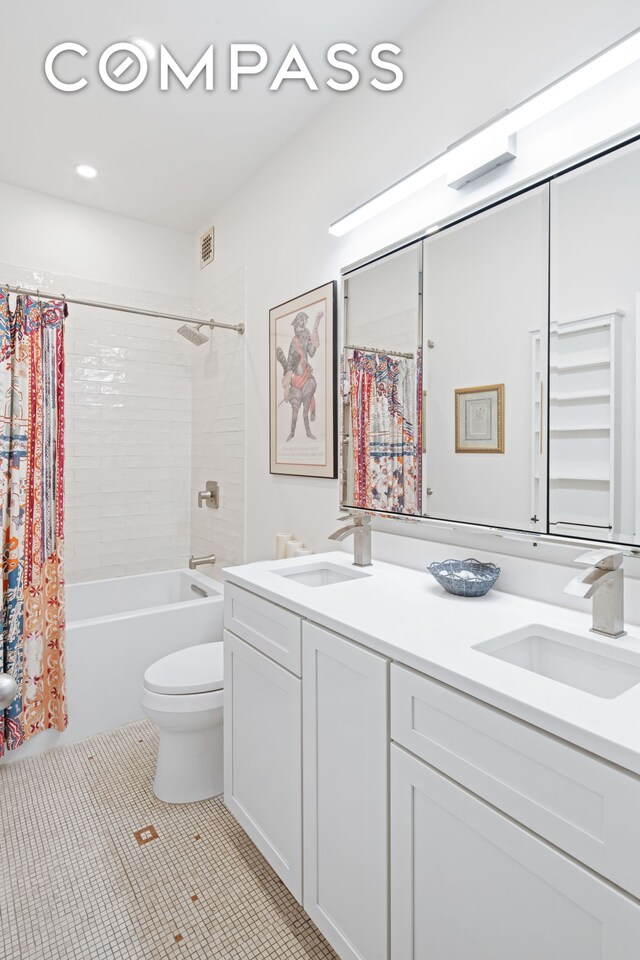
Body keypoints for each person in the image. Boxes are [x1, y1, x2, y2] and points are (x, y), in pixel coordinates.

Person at [277, 308, 322, 441]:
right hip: (296, 378)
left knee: (305, 409)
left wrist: (314, 339)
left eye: (303, 321)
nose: (301, 324)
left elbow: (312, 352)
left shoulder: (307, 335)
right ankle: (292, 432)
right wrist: (288, 378)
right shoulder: (294, 340)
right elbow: (290, 361)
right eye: (299, 322)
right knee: (295, 410)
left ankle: (308, 432)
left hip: (306, 376)